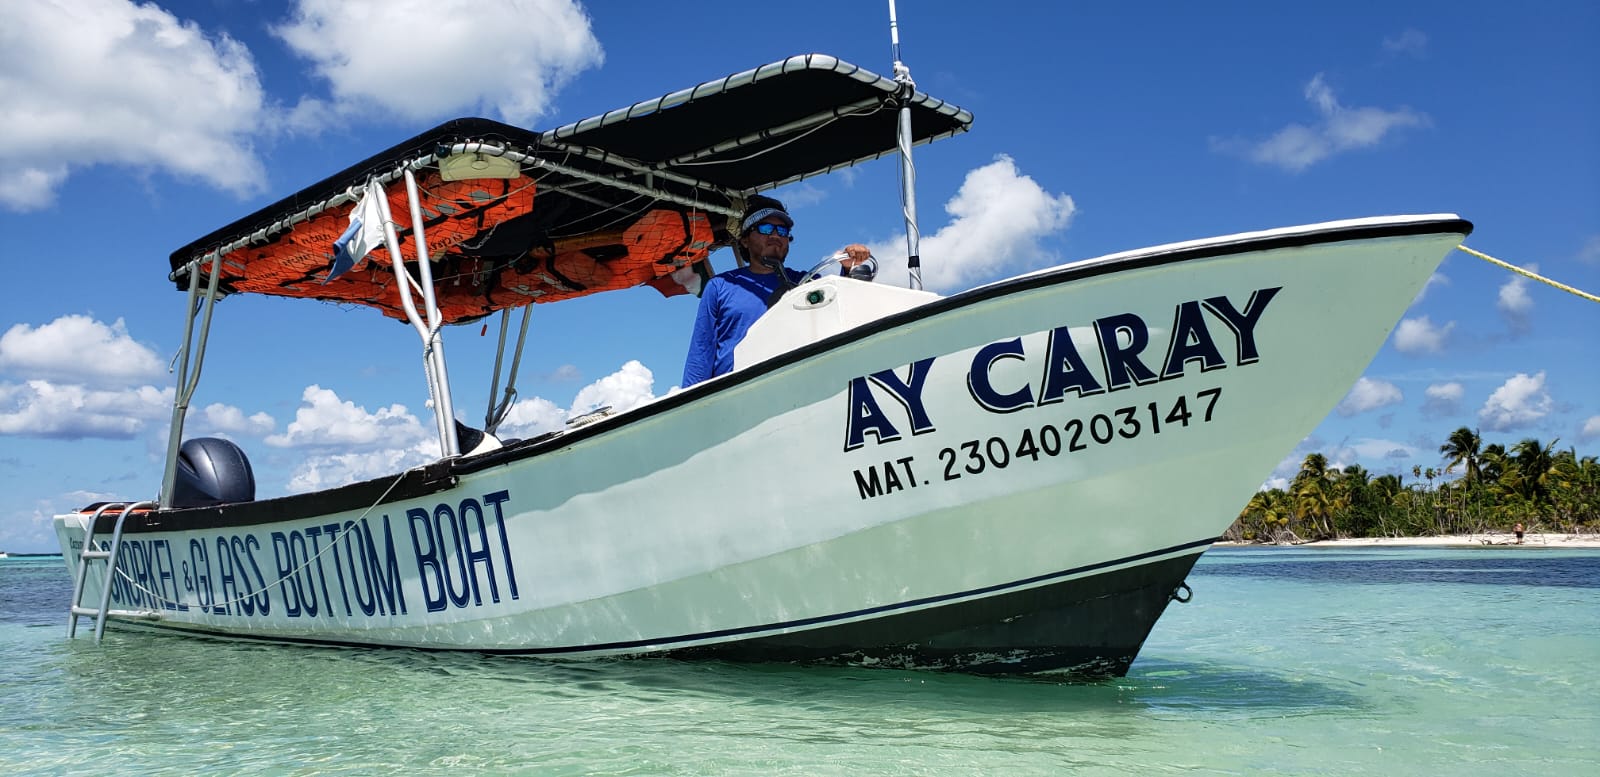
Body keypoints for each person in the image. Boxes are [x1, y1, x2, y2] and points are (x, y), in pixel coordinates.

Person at [681, 196, 868, 387]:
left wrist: (848, 269)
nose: (775, 235)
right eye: (765, 228)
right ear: (745, 240)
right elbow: (701, 353)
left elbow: (839, 317)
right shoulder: (720, 286)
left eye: (782, 230)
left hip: (796, 387)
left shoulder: (806, 282)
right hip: (734, 394)